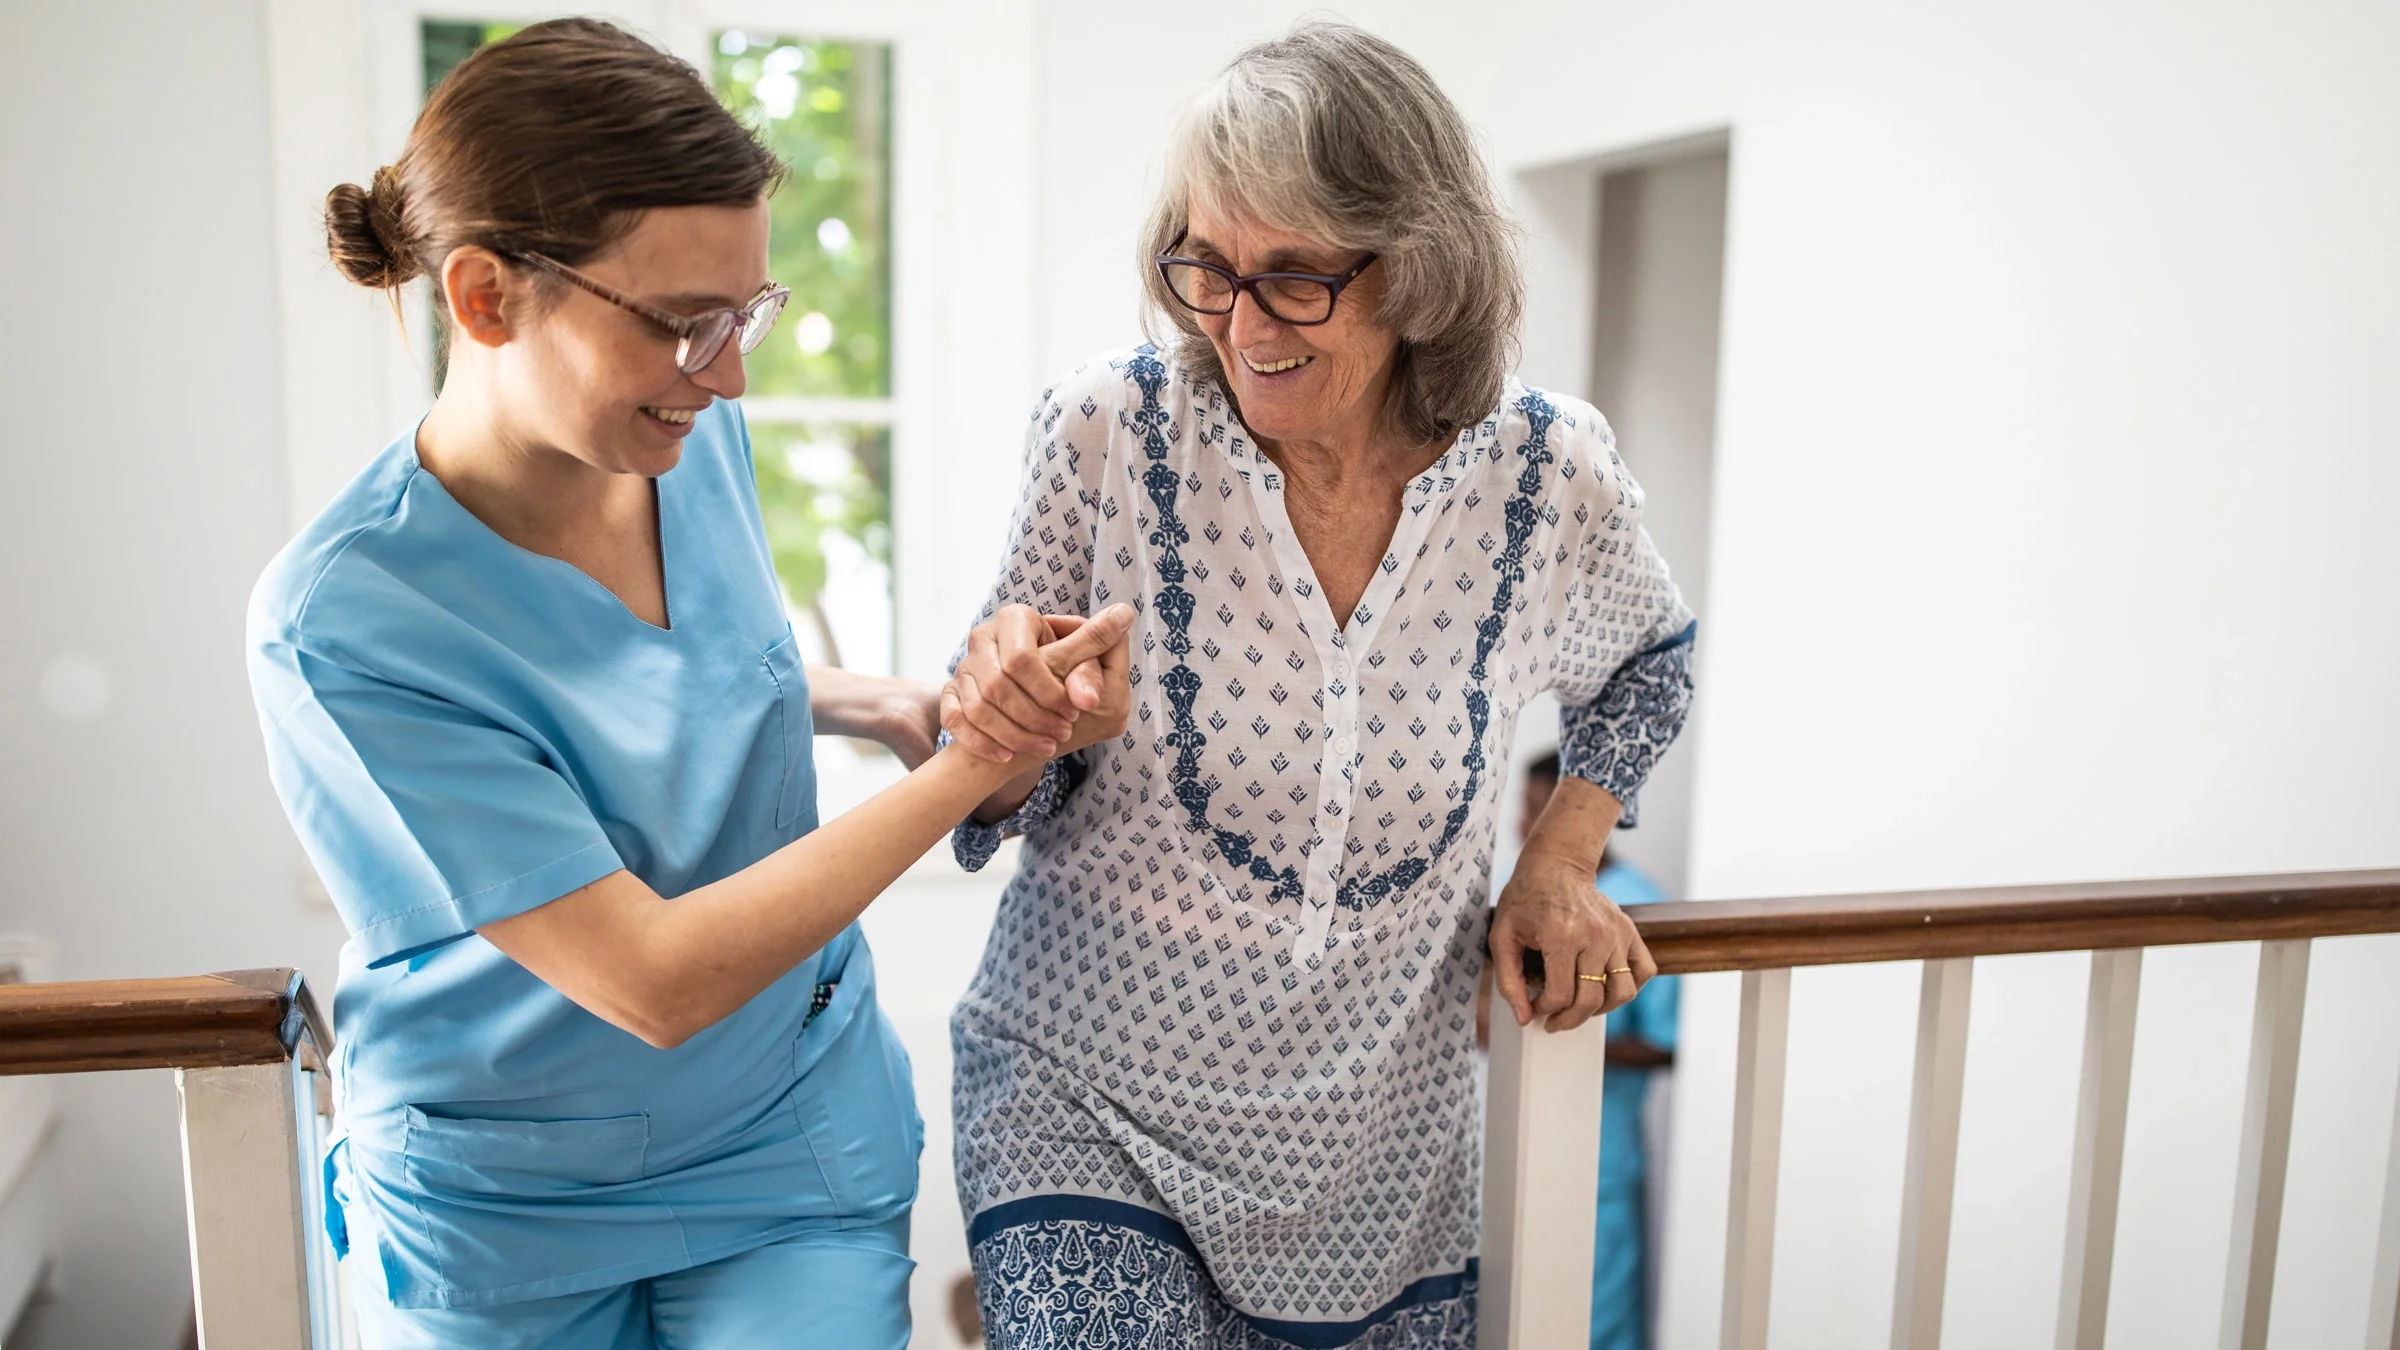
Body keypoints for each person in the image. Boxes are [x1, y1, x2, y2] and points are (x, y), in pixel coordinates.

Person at [243, 21, 1129, 1348]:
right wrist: (970, 766)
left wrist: (876, 702)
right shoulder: (343, 620)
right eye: (681, 323)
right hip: (509, 1202)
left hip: (786, 1136)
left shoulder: (680, 438)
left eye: (745, 312)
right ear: (485, 296)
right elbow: (649, 975)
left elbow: (649, 671)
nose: (731, 372)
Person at [933, 22, 1697, 1347]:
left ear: (1418, 267)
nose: (1238, 322)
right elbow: (1009, 768)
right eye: (1205, 269)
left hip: (1379, 1151)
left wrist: (1562, 857)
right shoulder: (1108, 432)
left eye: (1293, 279)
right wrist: (1006, 719)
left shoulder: (1545, 474)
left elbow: (1650, 659)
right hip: (1082, 1098)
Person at [1518, 753, 1679, 1350]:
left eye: (1542, 816)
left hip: (1604, 1154)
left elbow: (1668, 1044)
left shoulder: (1635, 903)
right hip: (1537, 1142)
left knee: (1602, 1315)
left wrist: (1571, 1031)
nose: (1527, 830)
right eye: (1528, 813)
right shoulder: (1529, 908)